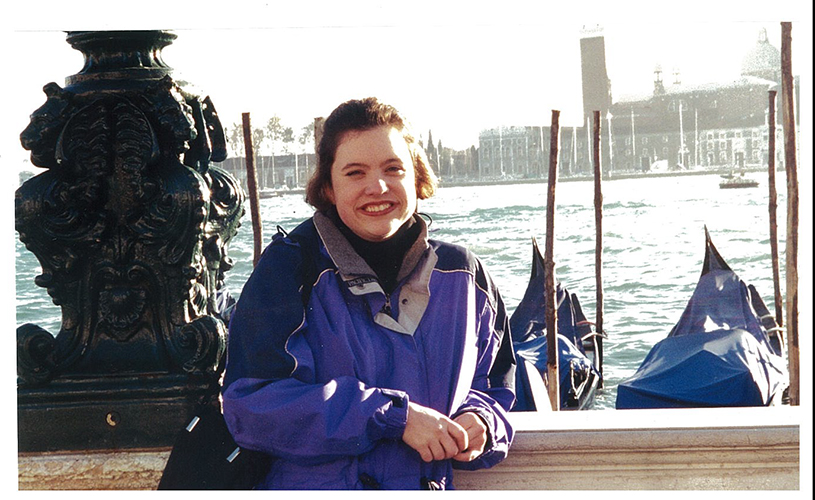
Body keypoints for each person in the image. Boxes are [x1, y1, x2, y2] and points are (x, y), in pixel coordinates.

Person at [221, 97, 516, 490]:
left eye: (394, 168)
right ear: (328, 187)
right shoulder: (289, 269)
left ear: (417, 177)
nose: (377, 187)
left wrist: (482, 421)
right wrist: (394, 416)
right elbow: (252, 405)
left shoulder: (464, 274)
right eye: (354, 173)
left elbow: (496, 385)